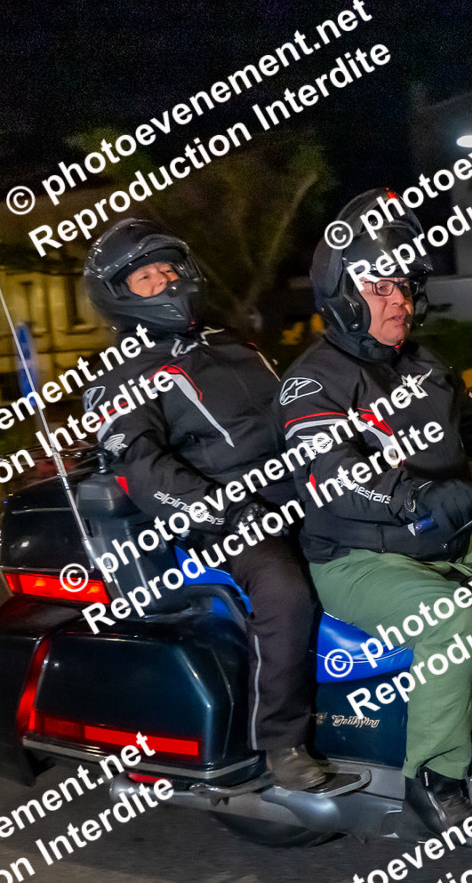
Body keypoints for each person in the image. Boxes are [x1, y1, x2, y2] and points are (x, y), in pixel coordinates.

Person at [280, 189, 472, 846]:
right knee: (453, 621)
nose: (401, 302)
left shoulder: (424, 365)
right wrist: (415, 497)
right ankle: (434, 780)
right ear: (344, 292)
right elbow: (334, 476)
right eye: (381, 286)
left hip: (449, 539)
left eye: (407, 287)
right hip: (359, 558)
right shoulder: (313, 382)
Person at [81, 218, 330, 792]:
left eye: (168, 269)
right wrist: (226, 512)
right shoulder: (121, 377)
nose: (165, 282)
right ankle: (281, 742)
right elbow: (144, 468)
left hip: (299, 489)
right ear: (118, 295)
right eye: (146, 277)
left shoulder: (233, 344)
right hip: (217, 515)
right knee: (283, 588)